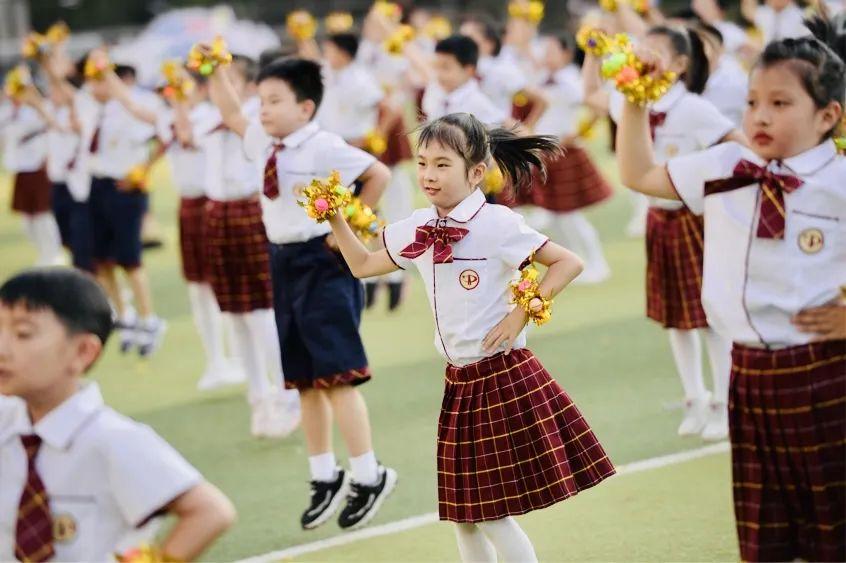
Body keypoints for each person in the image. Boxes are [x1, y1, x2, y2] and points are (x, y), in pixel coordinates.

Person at [317, 112, 615, 562]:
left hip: (503, 375)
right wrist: (335, 217)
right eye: (421, 164)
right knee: (464, 514)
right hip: (459, 381)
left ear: (476, 172)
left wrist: (519, 317)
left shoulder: (498, 224)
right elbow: (362, 265)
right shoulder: (418, 226)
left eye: (441, 164)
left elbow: (567, 263)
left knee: (491, 513)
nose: (428, 175)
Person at [616, 21, 845, 561]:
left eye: (781, 103)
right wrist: (632, 100)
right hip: (749, 375)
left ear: (828, 115)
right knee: (769, 538)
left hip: (824, 372)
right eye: (752, 101)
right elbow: (639, 173)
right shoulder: (726, 166)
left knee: (834, 532)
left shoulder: (839, 182)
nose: (760, 115)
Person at [205, 53, 398, 531]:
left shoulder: (322, 146)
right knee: (304, 379)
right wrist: (214, 71)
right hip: (283, 261)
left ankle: (369, 473)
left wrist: (348, 225)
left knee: (338, 375)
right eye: (261, 99)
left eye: (274, 101)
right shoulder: (264, 142)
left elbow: (378, 174)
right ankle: (322, 474)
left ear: (306, 108)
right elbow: (230, 113)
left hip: (321, 261)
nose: (262, 109)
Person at [0, 268, 236, 562]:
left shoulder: (111, 439)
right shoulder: (8, 425)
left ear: (83, 352)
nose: (2, 348)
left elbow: (210, 512)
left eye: (23, 334)